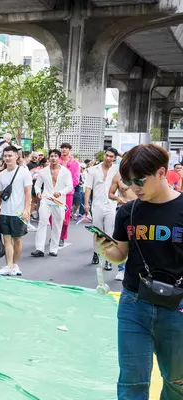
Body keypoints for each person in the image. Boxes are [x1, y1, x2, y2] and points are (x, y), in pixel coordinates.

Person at [94, 144, 183, 400]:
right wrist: (103, 248)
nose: (134, 187)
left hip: (177, 308)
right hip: (134, 302)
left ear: (162, 172)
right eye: (129, 182)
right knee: (131, 382)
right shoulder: (128, 211)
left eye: (140, 180)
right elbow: (120, 254)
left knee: (177, 383)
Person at [0, 145, 32, 276]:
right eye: (5, 156)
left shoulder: (24, 172)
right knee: (6, 239)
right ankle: (8, 266)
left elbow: (28, 192)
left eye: (10, 155)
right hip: (5, 211)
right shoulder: (2, 174)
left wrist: (27, 210)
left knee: (17, 239)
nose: (7, 158)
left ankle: (15, 265)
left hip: (18, 212)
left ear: (17, 156)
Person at [31, 149, 73, 258]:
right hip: (46, 200)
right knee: (42, 222)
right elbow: (37, 185)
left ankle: (53, 249)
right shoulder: (43, 171)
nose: (53, 158)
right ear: (49, 158)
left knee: (57, 225)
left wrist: (61, 192)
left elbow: (70, 186)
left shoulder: (65, 172)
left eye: (55, 156)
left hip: (59, 202)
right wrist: (38, 192)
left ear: (59, 158)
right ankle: (39, 249)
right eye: (51, 156)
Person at [85, 147, 119, 269]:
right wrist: (87, 204)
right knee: (98, 231)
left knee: (109, 232)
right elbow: (88, 187)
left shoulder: (117, 170)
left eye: (111, 156)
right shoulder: (93, 170)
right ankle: (96, 252)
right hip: (97, 205)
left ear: (114, 158)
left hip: (111, 205)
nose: (108, 158)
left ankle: (108, 258)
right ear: (103, 155)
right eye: (107, 155)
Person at [109, 170, 137, 281]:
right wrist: (117, 198)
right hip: (123, 209)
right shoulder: (117, 176)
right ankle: (121, 270)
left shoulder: (141, 174)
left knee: (136, 241)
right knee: (121, 240)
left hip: (139, 209)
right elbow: (110, 194)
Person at [58, 142, 80, 246]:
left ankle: (62, 237)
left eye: (66, 148)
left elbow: (76, 179)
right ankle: (55, 234)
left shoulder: (74, 162)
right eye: (62, 148)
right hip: (56, 193)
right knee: (53, 215)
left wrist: (66, 188)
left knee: (65, 216)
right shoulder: (57, 160)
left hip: (68, 193)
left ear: (69, 150)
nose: (64, 150)